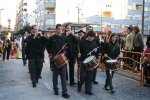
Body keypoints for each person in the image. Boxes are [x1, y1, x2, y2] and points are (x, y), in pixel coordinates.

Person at [46, 24, 70, 99]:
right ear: (56, 29)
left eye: (61, 29)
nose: (60, 31)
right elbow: (47, 46)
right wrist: (50, 54)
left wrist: (65, 47)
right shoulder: (52, 38)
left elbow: (68, 45)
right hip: (54, 58)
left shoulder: (64, 37)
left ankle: (64, 91)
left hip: (62, 58)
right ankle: (55, 89)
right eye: (59, 29)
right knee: (55, 75)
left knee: (63, 75)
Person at [78, 30, 98, 95]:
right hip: (83, 61)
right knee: (83, 76)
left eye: (93, 37)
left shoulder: (94, 44)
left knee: (90, 77)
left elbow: (97, 53)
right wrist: (78, 53)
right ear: (88, 36)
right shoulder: (82, 42)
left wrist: (96, 51)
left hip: (91, 62)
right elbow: (77, 49)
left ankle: (88, 90)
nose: (92, 38)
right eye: (91, 37)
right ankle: (80, 85)